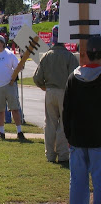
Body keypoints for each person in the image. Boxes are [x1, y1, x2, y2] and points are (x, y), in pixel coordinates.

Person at [63, 36, 101, 203]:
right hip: (98, 139)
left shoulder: (73, 77)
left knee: (78, 181)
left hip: (77, 139)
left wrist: (68, 135)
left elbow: (66, 110)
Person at [33, 25, 78, 163]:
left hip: (50, 91)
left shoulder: (46, 56)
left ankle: (50, 155)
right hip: (65, 91)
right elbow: (75, 76)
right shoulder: (69, 56)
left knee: (50, 124)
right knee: (63, 124)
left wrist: (44, 87)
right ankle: (63, 154)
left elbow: (36, 78)